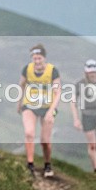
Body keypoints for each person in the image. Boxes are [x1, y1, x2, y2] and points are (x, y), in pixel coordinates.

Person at [17, 44, 61, 180]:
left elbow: (57, 91)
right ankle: (30, 164)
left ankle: (47, 164)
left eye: (39, 58)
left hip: (48, 107)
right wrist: (19, 102)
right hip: (29, 105)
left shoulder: (52, 71)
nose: (37, 61)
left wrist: (51, 111)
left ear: (44, 58)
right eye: (34, 58)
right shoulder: (27, 69)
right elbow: (22, 85)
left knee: (45, 140)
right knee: (29, 133)